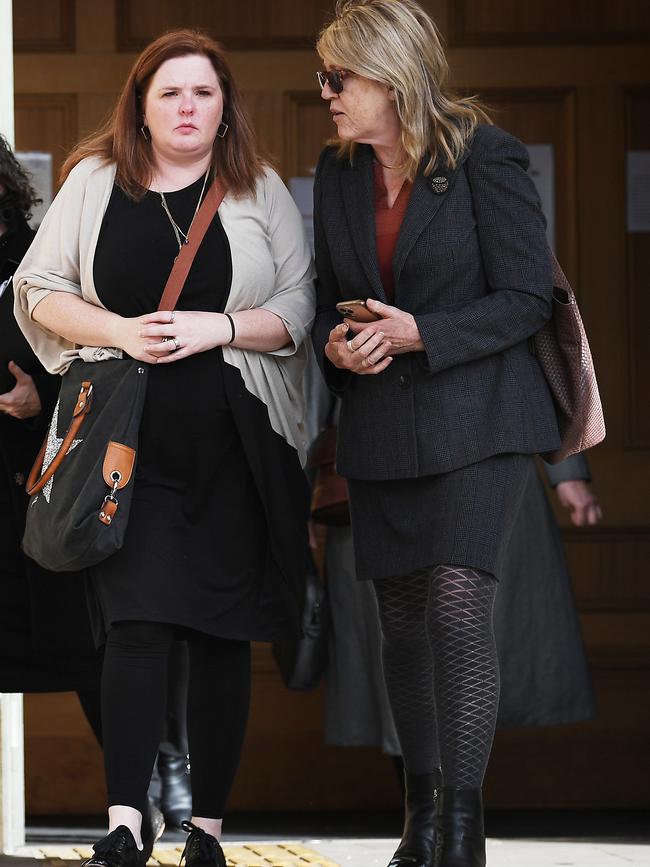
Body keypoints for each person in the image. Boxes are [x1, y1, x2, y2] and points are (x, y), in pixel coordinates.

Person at [14, 29, 314, 867]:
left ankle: (207, 831)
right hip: (125, 447)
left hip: (235, 448)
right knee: (136, 627)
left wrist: (216, 325)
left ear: (225, 110)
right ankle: (124, 820)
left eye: (203, 93)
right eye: (169, 93)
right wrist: (122, 331)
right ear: (140, 110)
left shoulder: (260, 193)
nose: (187, 106)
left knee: (222, 635)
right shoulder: (95, 183)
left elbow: (298, 307)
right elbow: (39, 290)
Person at [311, 2, 569, 865]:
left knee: (458, 606)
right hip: (382, 428)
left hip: (481, 419)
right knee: (404, 622)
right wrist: (338, 347)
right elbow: (324, 306)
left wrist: (426, 331)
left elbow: (530, 295)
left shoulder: (484, 156)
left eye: (338, 78)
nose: (327, 95)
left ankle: (461, 830)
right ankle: (420, 823)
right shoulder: (338, 171)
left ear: (390, 75)